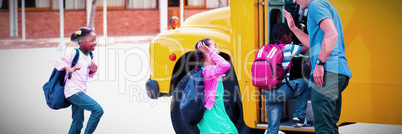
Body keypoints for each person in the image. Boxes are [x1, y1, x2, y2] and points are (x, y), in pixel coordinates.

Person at [283, 0, 352, 133]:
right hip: (336, 72)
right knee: (330, 125)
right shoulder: (322, 5)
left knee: (323, 127)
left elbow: (332, 34)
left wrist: (319, 63)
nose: (294, 1)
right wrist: (293, 28)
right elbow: (312, 43)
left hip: (328, 73)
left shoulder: (316, 5)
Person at [50, 27, 103, 134]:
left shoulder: (90, 55)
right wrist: (70, 68)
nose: (95, 43)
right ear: (81, 42)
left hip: (81, 91)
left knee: (78, 121)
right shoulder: (74, 52)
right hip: (73, 91)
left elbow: (85, 74)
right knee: (98, 110)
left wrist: (92, 71)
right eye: (92, 40)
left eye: (95, 40)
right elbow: (55, 60)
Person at [264, 23, 311, 134]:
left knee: (272, 129)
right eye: (291, 36)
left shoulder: (267, 49)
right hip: (282, 90)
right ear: (285, 36)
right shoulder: (288, 48)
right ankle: (299, 117)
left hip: (268, 92)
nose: (291, 38)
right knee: (305, 82)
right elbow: (308, 46)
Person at [194, 38, 238, 134]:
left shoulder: (208, 70)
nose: (218, 49)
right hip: (212, 116)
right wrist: (210, 52)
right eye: (215, 46)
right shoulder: (208, 70)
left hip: (216, 114)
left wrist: (218, 81)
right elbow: (225, 65)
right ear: (205, 51)